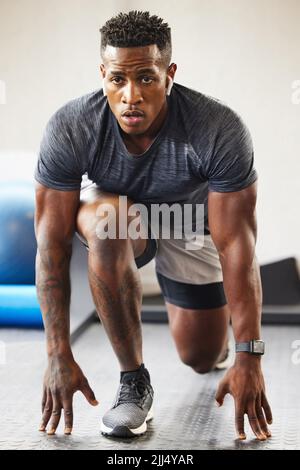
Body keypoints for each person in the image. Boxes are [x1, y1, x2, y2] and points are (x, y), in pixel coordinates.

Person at [34, 10, 273, 440]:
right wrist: (56, 352)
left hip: (189, 223)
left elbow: (237, 245)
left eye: (146, 77)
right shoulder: (72, 126)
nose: (130, 96)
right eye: (117, 79)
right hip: (121, 216)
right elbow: (51, 246)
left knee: (200, 357)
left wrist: (248, 357)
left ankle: (214, 345)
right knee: (108, 225)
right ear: (103, 74)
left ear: (169, 74)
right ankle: (133, 383)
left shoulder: (217, 128)